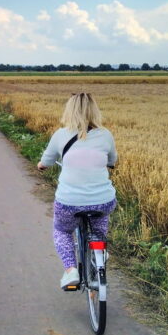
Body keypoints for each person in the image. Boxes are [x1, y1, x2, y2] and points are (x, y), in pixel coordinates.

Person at [36, 93, 117, 290]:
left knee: (62, 230)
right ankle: (100, 251)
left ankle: (71, 270)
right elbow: (113, 161)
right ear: (94, 111)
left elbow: (46, 161)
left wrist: (41, 165)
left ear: (69, 111)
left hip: (69, 202)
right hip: (103, 200)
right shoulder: (106, 134)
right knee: (99, 227)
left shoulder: (61, 135)